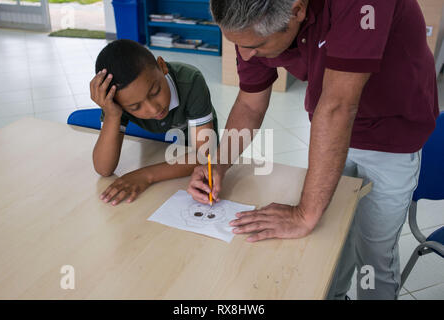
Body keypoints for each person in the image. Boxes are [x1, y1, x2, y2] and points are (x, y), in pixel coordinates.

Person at [187, 0, 439, 299]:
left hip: (392, 136)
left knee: (374, 251)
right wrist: (220, 166)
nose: (245, 54)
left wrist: (304, 213)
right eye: (236, 44)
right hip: (330, 132)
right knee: (331, 239)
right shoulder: (253, 22)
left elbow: (338, 107)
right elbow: (250, 103)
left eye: (256, 45)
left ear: (297, 10)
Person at [91, 39, 218, 206]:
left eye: (155, 91)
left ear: (162, 66)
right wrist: (112, 115)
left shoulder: (190, 81)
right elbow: (103, 168)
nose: (153, 109)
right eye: (135, 107)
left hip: (193, 171)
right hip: (162, 158)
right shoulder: (116, 101)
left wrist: (146, 175)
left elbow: (203, 155)